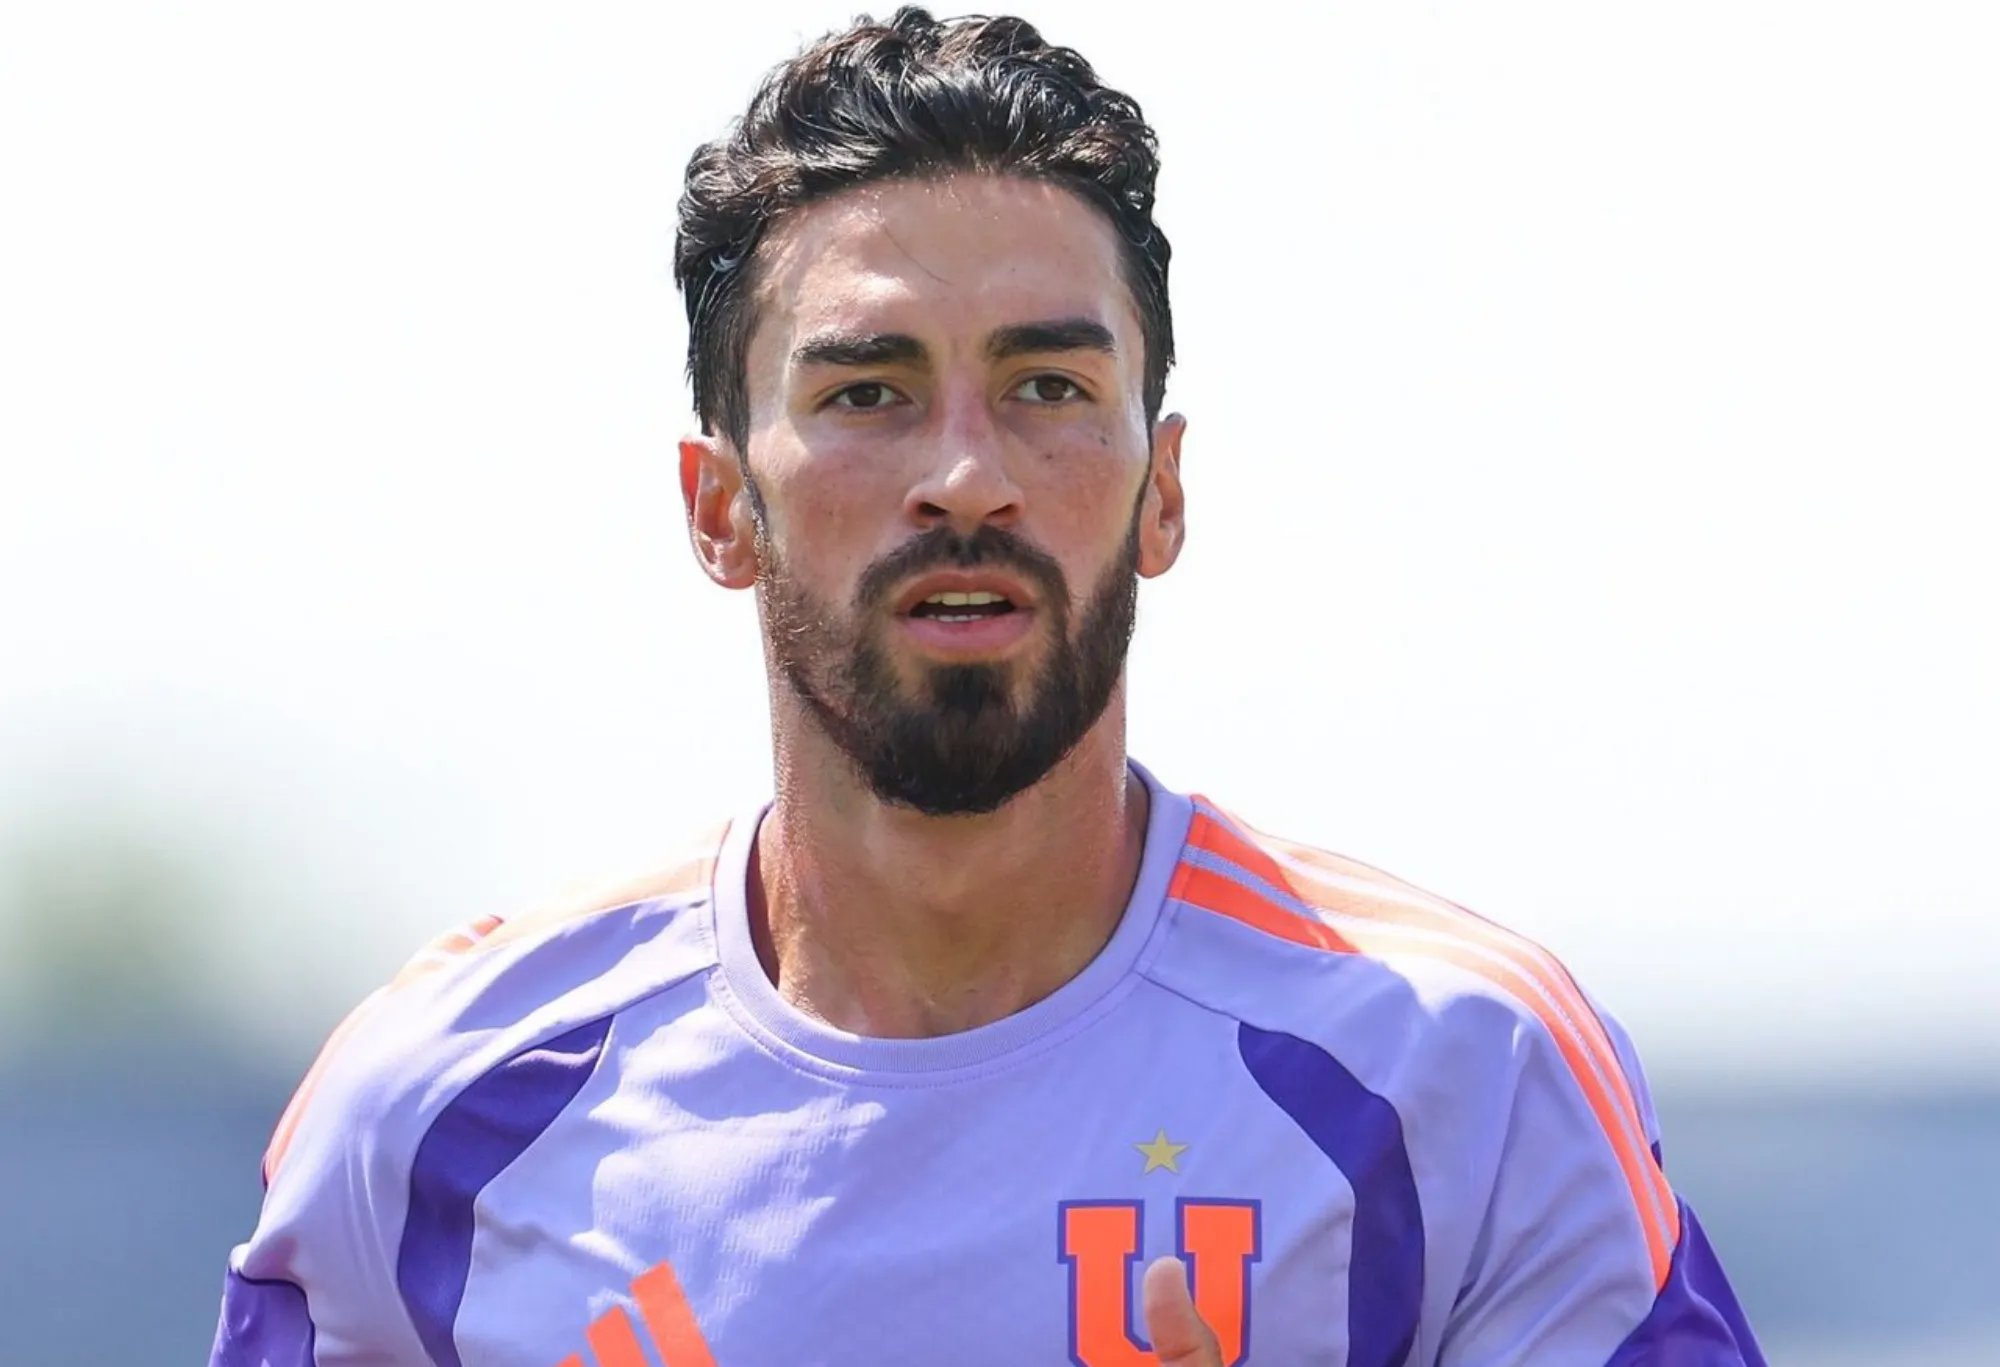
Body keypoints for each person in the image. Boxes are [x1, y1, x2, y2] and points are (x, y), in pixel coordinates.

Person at [209, 9, 1764, 1364]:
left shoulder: (1464, 1075)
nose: (966, 475)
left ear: (1161, 491)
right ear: (719, 505)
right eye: (868, 392)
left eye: (1048, 387)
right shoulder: (431, 1116)